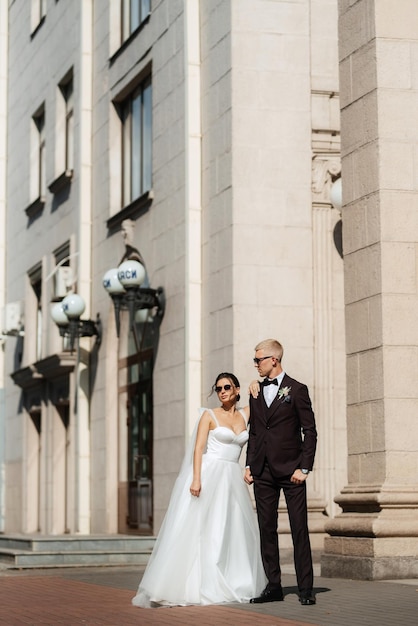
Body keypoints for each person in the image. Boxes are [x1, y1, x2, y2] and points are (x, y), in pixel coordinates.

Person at [132, 372, 266, 608]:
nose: (222, 391)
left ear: (236, 389)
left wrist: (256, 383)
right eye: (218, 388)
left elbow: (265, 398)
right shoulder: (209, 415)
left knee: (230, 528)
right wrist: (196, 479)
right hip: (209, 474)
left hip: (232, 478)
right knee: (202, 529)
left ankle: (233, 578)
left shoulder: (246, 413)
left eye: (226, 387)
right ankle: (185, 584)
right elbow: (198, 448)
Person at [244, 339, 317, 606]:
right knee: (266, 529)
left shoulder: (297, 390)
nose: (255, 365)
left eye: (258, 360)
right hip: (262, 472)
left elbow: (309, 431)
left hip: (292, 471)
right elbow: (255, 431)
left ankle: (305, 588)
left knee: (299, 529)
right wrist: (250, 464)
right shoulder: (255, 390)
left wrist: (305, 467)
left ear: (273, 359)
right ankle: (273, 586)